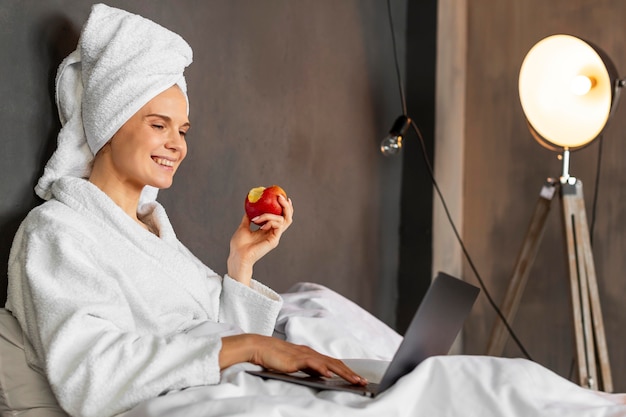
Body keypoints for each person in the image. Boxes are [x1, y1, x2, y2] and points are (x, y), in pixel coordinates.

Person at [4, 4, 365, 417]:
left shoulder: (154, 235)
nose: (178, 144)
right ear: (108, 125)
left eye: (183, 130)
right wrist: (252, 347)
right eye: (159, 125)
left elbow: (222, 338)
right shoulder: (56, 232)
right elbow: (93, 375)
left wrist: (241, 262)